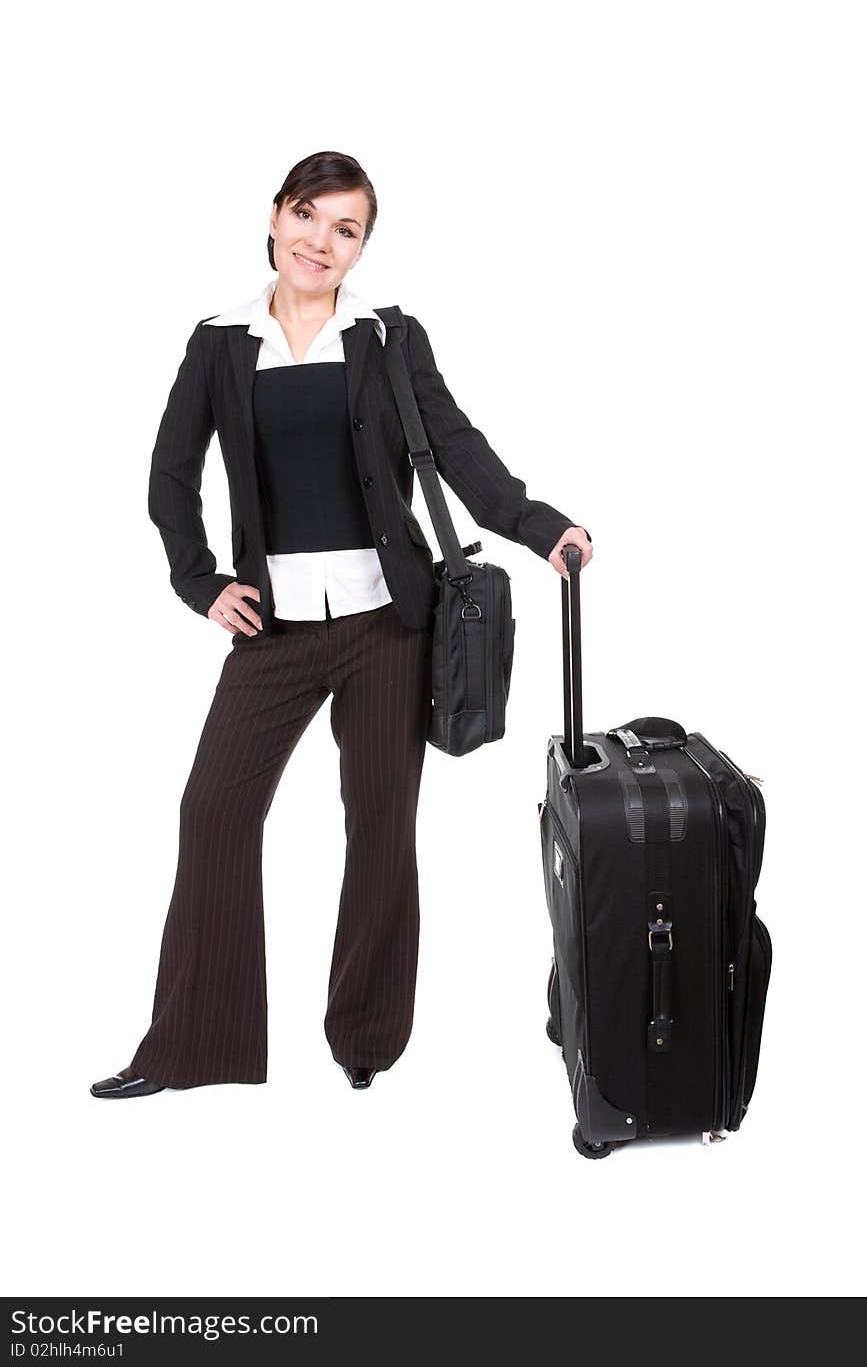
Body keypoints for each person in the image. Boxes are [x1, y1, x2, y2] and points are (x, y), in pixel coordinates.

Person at [90, 150, 593, 1100]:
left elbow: (457, 449)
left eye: (347, 228)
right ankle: (192, 1048)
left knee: (379, 827)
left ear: (362, 247)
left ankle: (365, 1040)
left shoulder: (389, 339)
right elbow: (168, 477)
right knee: (214, 813)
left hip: (387, 627)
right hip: (270, 632)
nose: (323, 241)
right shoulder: (218, 342)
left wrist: (542, 526)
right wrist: (200, 584)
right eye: (310, 216)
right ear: (276, 217)